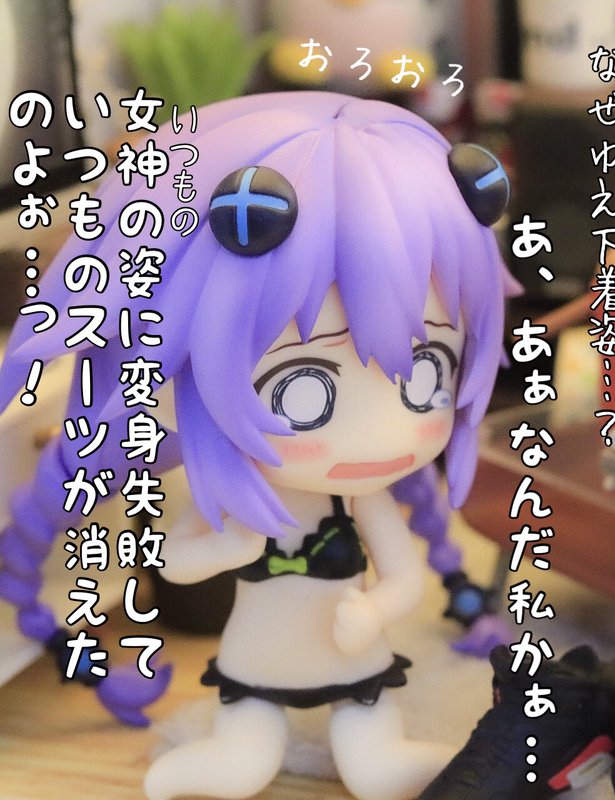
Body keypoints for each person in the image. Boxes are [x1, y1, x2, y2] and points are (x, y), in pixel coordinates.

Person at [0, 91, 514, 800]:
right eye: (305, 389)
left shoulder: (361, 501)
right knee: (245, 740)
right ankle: (235, 756)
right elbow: (173, 561)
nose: (387, 430)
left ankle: (381, 759)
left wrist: (374, 610)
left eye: (429, 374)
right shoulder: (243, 495)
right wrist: (218, 549)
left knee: (371, 752)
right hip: (255, 656)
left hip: (351, 658)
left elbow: (400, 576)